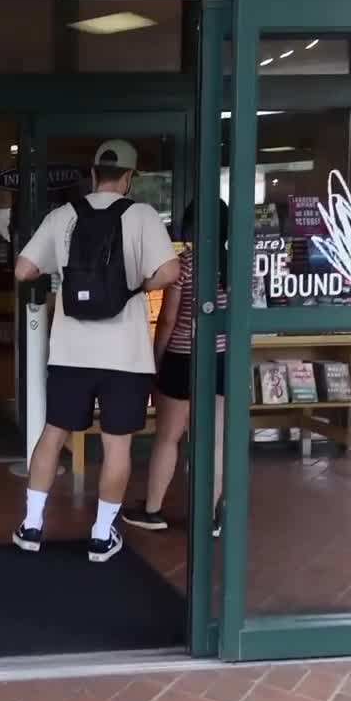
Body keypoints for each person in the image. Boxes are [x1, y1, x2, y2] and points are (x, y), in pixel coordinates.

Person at [13, 140, 180, 563]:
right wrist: (133, 290)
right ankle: (102, 536)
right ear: (128, 177)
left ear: (92, 174)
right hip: (125, 356)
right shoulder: (141, 215)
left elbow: (23, 269)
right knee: (117, 446)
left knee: (53, 435)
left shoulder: (63, 216)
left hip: (70, 352)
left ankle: (32, 525)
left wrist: (59, 276)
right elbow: (170, 271)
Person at [123, 200, 229, 537]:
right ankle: (210, 516)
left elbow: (168, 318)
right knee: (214, 441)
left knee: (168, 438)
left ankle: (153, 510)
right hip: (223, 360)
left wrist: (156, 359)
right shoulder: (238, 264)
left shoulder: (186, 263)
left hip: (183, 358)